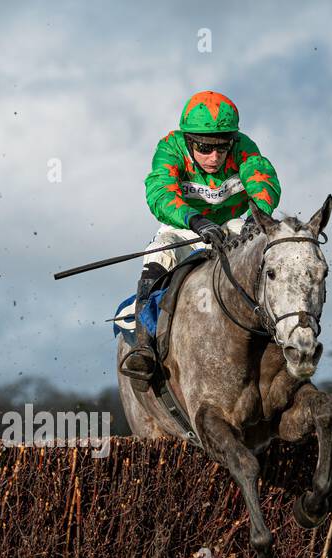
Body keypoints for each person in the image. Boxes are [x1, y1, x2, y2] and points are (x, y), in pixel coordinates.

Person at [119, 91, 283, 390]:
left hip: (233, 227)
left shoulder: (244, 148)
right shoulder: (171, 147)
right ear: (189, 140)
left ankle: (280, 336)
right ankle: (144, 345)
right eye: (205, 148)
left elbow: (262, 179)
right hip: (184, 225)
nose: (215, 157)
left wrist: (254, 218)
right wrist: (195, 220)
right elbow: (160, 191)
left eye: (223, 148)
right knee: (157, 251)